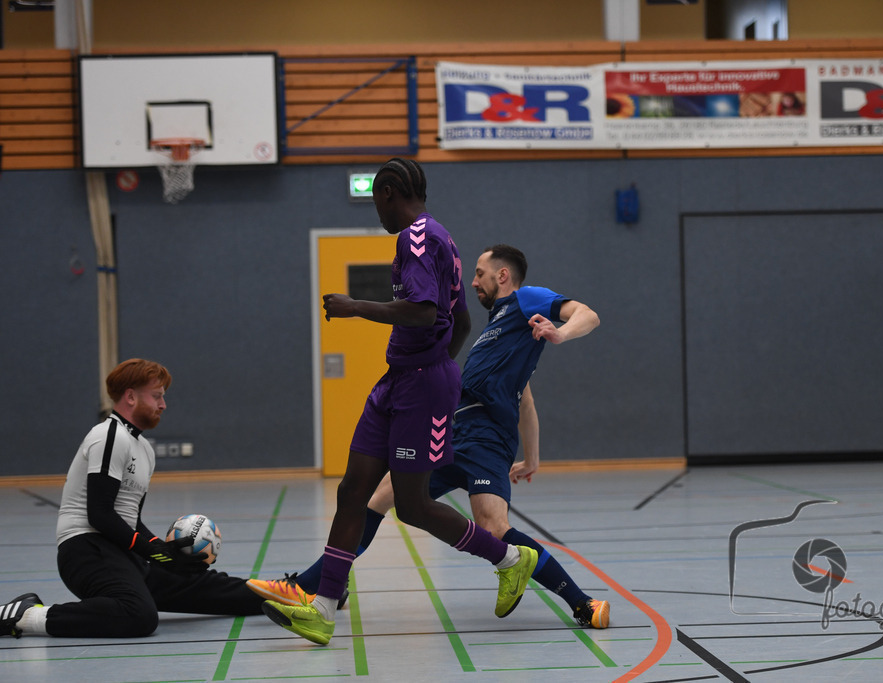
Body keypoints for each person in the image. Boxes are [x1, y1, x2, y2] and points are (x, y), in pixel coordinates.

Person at [249, 245, 608, 628]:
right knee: (378, 499)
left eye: (480, 273)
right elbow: (526, 399)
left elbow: (587, 314)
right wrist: (533, 458)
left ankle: (581, 602)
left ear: (502, 275)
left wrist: (560, 332)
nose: (473, 281)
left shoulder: (526, 300)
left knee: (494, 528)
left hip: (487, 440)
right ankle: (314, 587)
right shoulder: (497, 331)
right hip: (453, 433)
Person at [261, 159, 538, 646]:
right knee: (354, 490)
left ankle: (511, 560)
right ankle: (323, 608)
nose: (378, 212)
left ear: (388, 193)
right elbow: (462, 323)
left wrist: (356, 308)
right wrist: (429, 363)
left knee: (413, 507)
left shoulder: (417, 237)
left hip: (422, 389)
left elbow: (424, 310)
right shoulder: (442, 240)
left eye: (377, 202)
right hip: (398, 382)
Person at [0, 358, 294, 640]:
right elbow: (100, 515)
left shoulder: (144, 449)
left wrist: (169, 556)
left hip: (120, 552)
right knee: (139, 615)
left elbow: (132, 521)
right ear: (130, 397)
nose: (163, 405)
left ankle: (297, 592)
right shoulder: (108, 435)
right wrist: (156, 551)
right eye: (156, 396)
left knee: (210, 588)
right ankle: (27, 616)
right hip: (87, 551)